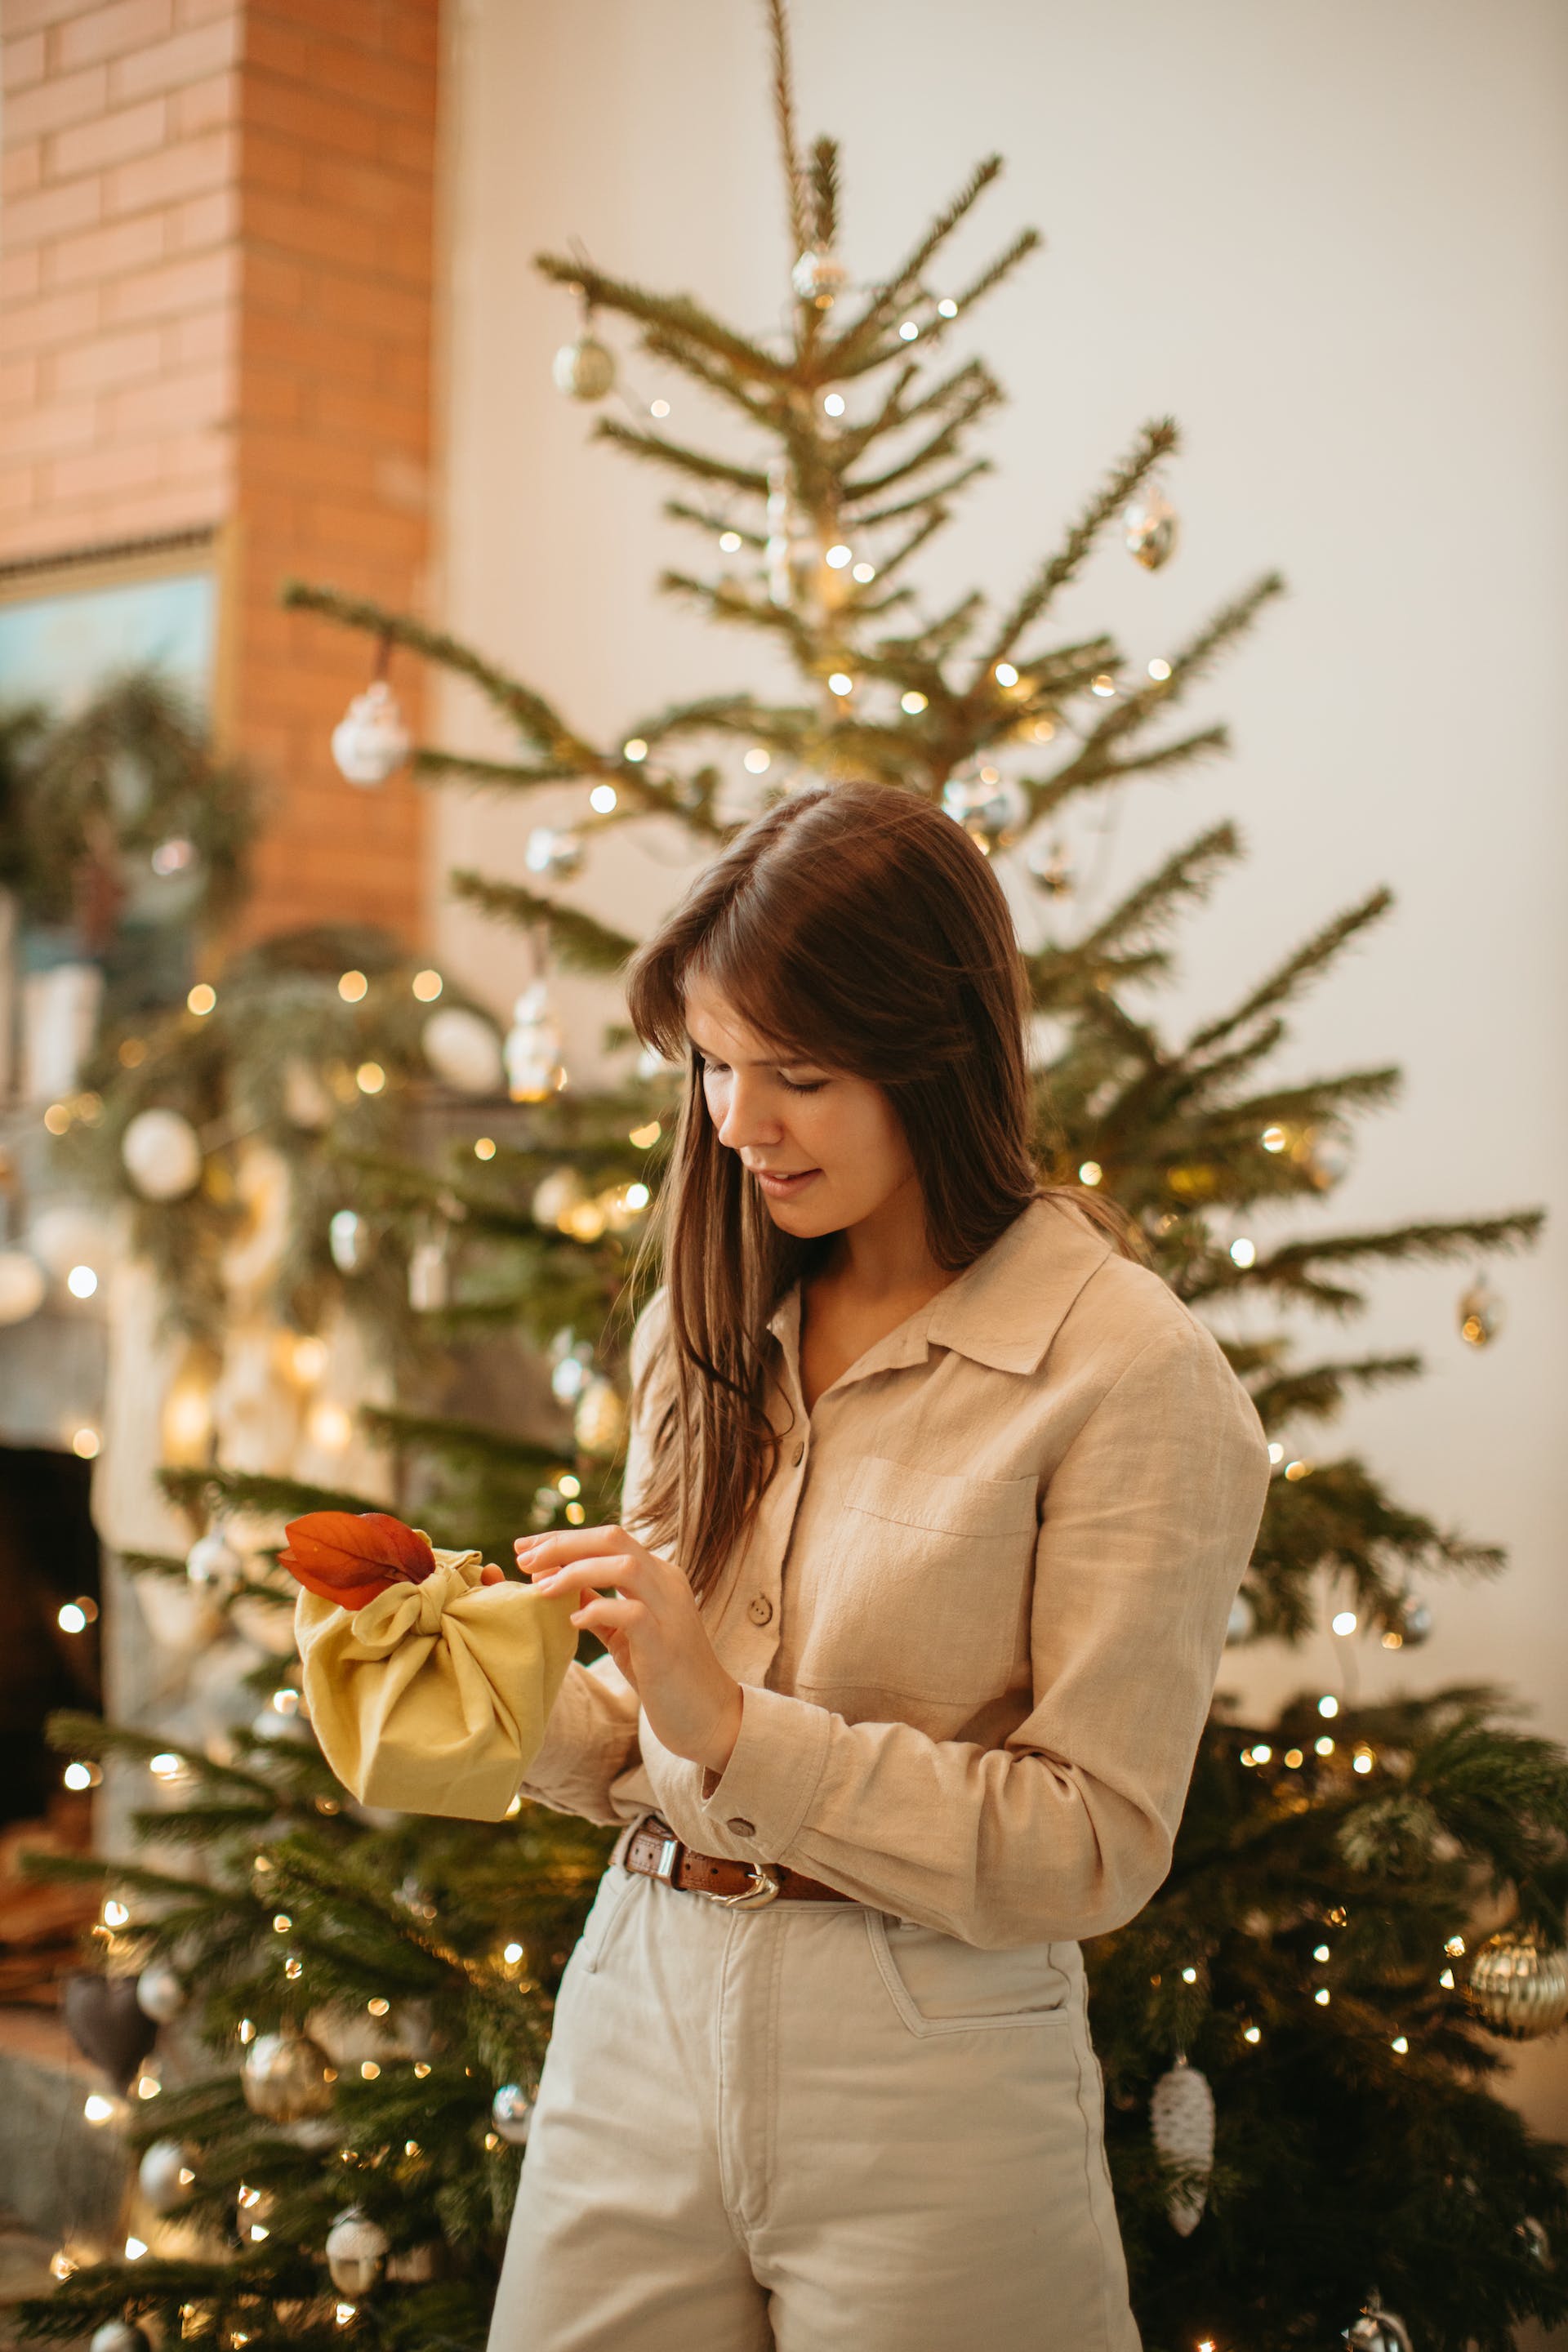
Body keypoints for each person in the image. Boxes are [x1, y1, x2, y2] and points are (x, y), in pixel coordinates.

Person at [482, 780, 1272, 2352]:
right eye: (711, 1064)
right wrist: (481, 1691)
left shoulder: (1129, 1371)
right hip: (636, 1997)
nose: (736, 1122)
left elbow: (1094, 1842)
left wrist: (734, 1726)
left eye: (803, 1074)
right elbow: (663, 1749)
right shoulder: (698, 1327)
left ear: (940, 1053)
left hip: (930, 2060)